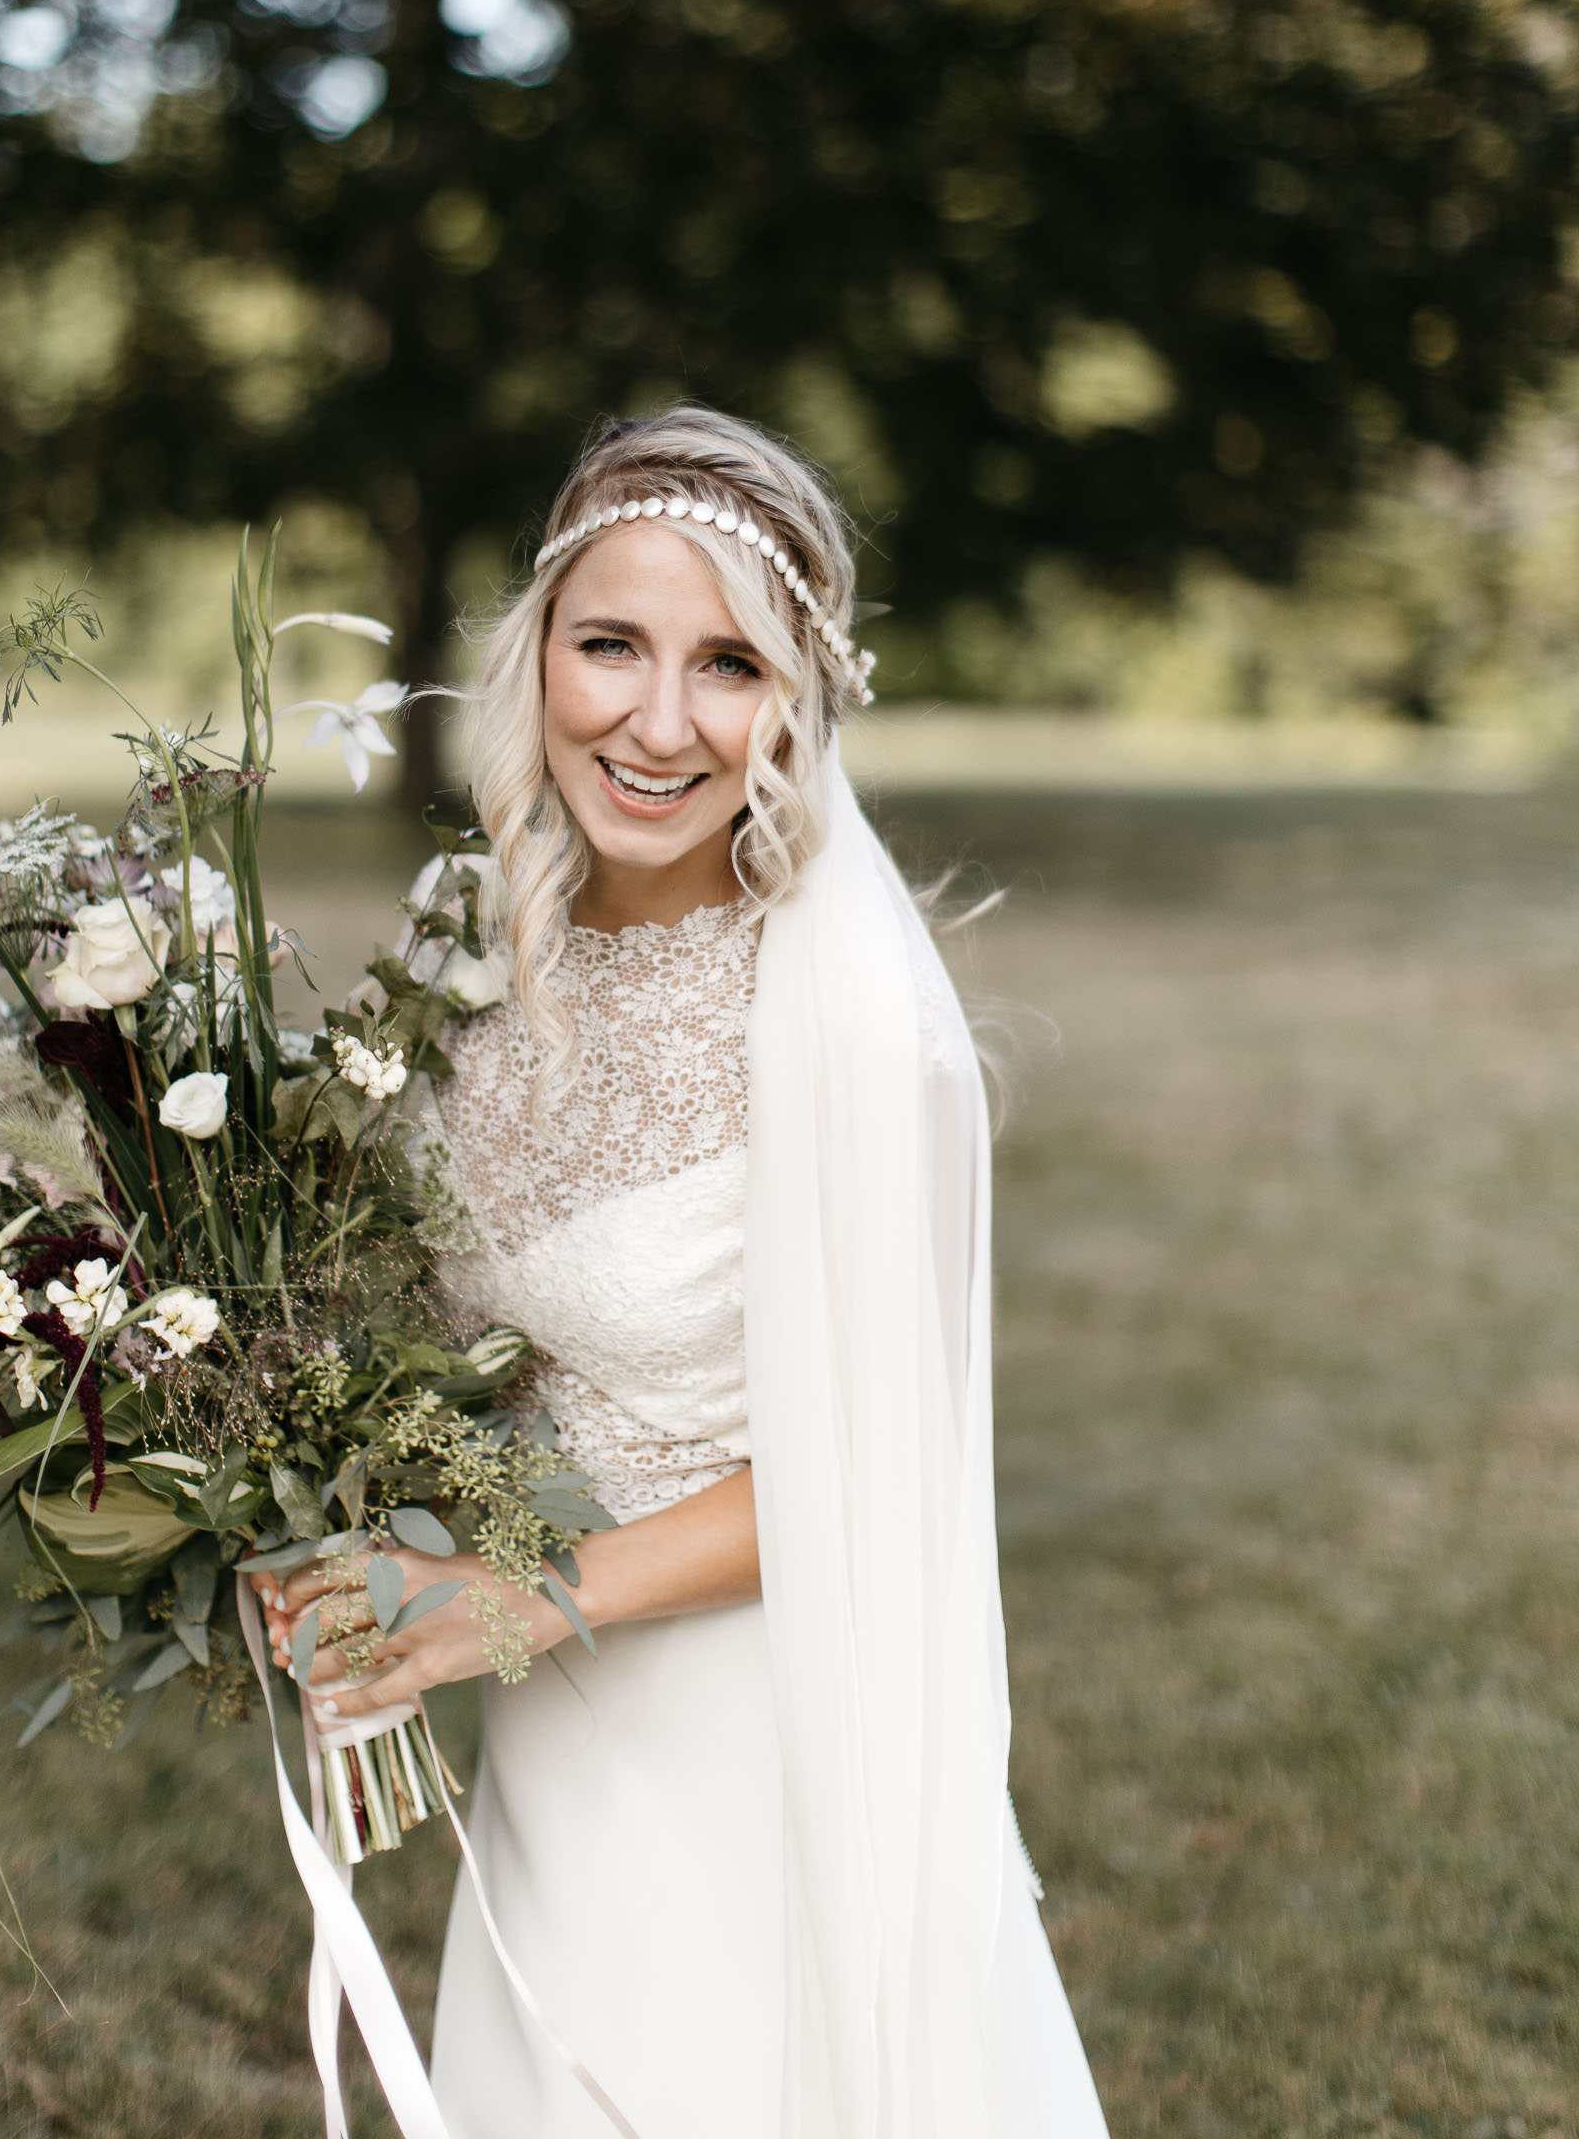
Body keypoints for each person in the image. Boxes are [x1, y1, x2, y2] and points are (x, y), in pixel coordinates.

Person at [259, 405, 1110, 2139]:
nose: (656, 723)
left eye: (727, 662)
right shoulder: (479, 961)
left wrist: (504, 1599)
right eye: (611, 647)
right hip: (557, 1737)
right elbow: (444, 1348)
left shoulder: (850, 1024)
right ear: (538, 654)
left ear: (803, 700)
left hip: (766, 1747)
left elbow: (880, 1476)